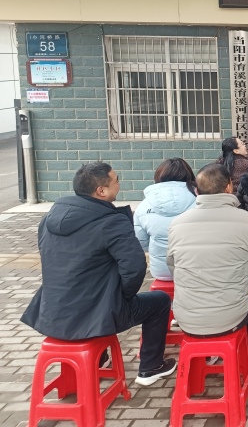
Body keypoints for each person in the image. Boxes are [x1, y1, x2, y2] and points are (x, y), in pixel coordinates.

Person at [21, 162, 176, 386]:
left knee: (100, 290)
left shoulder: (48, 219)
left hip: (53, 313)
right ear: (101, 191)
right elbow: (135, 267)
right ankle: (151, 367)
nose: (119, 184)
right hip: (96, 313)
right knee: (160, 301)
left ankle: (98, 357)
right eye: (116, 180)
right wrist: (123, 297)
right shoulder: (110, 222)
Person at [167, 163, 248, 377]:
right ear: (229, 187)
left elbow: (173, 267)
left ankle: (207, 354)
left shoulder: (177, 224)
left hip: (187, 317)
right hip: (231, 315)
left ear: (197, 191)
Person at [134, 158, 197, 281]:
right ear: (189, 175)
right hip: (194, 269)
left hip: (162, 271)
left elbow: (141, 243)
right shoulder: (200, 200)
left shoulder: (143, 206)